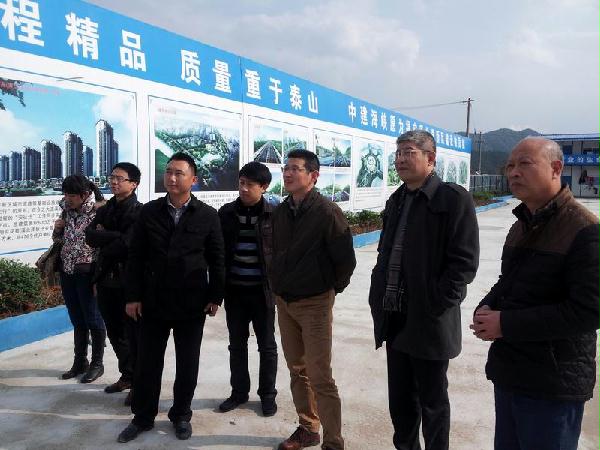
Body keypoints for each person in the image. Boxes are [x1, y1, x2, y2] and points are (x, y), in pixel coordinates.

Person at [470, 137, 600, 450]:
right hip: (512, 373)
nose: (513, 172)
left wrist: (506, 324)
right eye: (510, 166)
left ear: (556, 168)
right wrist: (487, 306)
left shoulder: (585, 230)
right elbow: (508, 281)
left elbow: (589, 311)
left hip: (553, 384)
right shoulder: (522, 225)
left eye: (525, 163)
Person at [368, 130, 479, 450]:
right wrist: (377, 294)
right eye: (398, 153)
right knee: (401, 403)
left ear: (431, 159)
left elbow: (464, 263)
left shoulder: (452, 199)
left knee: (433, 403)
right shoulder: (397, 199)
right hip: (395, 315)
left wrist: (437, 302)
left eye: (409, 152)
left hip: (429, 319)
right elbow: (385, 253)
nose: (400, 159)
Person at [117, 152, 225, 443]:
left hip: (192, 303)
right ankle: (143, 417)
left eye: (179, 173)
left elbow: (217, 259)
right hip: (153, 301)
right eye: (168, 172)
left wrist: (216, 295)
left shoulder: (207, 215)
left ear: (193, 179)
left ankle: (181, 415)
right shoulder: (149, 212)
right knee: (147, 363)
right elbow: (136, 256)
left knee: (187, 363)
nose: (172, 178)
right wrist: (132, 296)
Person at [270, 149, 356, 450]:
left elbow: (345, 261)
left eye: (295, 168)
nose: (288, 173)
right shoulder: (281, 211)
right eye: (286, 168)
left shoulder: (327, 212)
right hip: (285, 302)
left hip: (315, 303)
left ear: (313, 176)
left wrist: (328, 290)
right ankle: (308, 428)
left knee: (320, 376)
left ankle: (333, 441)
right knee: (297, 369)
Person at [217, 162, 278, 416]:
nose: (243, 188)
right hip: (235, 293)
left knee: (267, 346)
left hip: (263, 293)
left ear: (264, 187)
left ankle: (267, 395)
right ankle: (239, 393)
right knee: (237, 345)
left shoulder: (275, 215)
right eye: (241, 183)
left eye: (249, 184)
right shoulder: (226, 213)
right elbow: (218, 253)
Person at [85, 162, 142, 406]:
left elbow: (128, 245)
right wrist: (114, 236)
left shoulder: (139, 212)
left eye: (120, 178)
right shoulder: (106, 209)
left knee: (133, 335)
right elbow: (90, 237)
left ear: (133, 184)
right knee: (116, 333)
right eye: (112, 177)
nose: (114, 182)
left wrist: (106, 236)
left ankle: (139, 384)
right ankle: (127, 376)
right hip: (105, 280)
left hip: (128, 283)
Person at [56, 175, 107, 384]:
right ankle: (80, 361)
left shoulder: (99, 212)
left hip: (88, 273)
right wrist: (57, 229)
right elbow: (59, 240)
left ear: (84, 194)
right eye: (65, 194)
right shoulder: (66, 211)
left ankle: (97, 364)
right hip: (68, 271)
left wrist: (98, 278)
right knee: (77, 319)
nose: (67, 199)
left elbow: (104, 246)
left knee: (93, 319)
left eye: (71, 195)